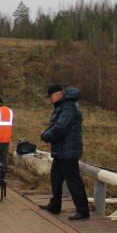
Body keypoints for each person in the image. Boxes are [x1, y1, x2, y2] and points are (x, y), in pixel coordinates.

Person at [39, 84, 90, 221]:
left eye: (50, 97)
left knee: (73, 181)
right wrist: (47, 133)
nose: (50, 100)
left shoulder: (68, 106)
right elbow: (57, 126)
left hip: (68, 151)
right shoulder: (65, 105)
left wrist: (46, 136)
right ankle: (55, 205)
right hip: (62, 151)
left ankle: (83, 210)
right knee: (56, 179)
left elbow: (61, 127)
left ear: (56, 95)